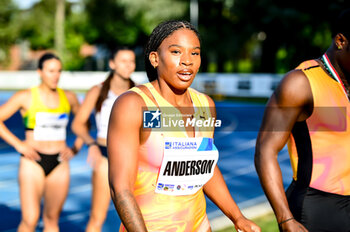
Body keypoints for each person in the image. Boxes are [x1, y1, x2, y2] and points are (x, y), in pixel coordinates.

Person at [107, 20, 261, 232]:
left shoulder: (205, 105)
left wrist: (237, 217)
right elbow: (120, 189)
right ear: (154, 58)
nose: (187, 61)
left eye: (195, 53)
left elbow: (204, 165)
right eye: (176, 52)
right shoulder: (134, 105)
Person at [254, 9, 350, 232]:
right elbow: (265, 151)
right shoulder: (300, 83)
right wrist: (285, 218)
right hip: (316, 209)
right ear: (341, 41)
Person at [0, 52, 83, 232]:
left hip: (59, 163)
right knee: (30, 220)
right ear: (40, 72)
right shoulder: (26, 96)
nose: (56, 76)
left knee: (52, 220)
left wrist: (76, 147)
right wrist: (18, 144)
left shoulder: (68, 97)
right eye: (51, 71)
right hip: (33, 162)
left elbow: (83, 123)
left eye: (59, 71)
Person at [71, 47, 136, 232]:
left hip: (132, 158)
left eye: (131, 61)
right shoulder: (98, 90)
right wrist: (90, 144)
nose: (128, 65)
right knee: (97, 218)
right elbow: (77, 124)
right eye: (123, 60)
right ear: (112, 64)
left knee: (136, 218)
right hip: (105, 156)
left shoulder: (139, 91)